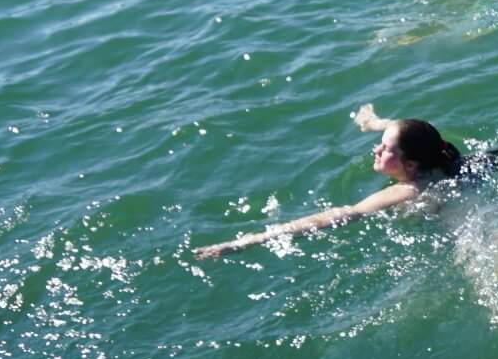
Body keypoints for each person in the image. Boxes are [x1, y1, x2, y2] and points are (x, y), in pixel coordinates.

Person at [194, 111, 476, 259]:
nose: (376, 149)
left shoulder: (407, 190)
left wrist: (249, 240)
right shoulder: (443, 152)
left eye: (386, 148)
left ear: (411, 166)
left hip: (473, 236)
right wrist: (373, 122)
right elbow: (409, 128)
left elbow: (342, 215)